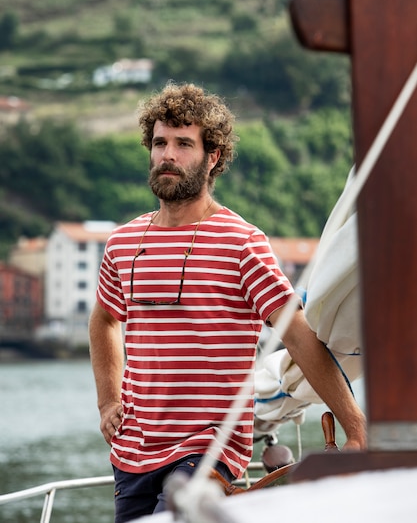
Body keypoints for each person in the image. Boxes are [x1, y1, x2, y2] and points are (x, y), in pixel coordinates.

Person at [89, 81, 366, 522]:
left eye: (183, 144)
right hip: (132, 454)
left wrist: (354, 426)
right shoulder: (124, 243)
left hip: (208, 449)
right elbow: (104, 319)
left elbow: (295, 332)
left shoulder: (241, 242)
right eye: (160, 143)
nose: (168, 156)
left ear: (212, 156)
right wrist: (108, 400)